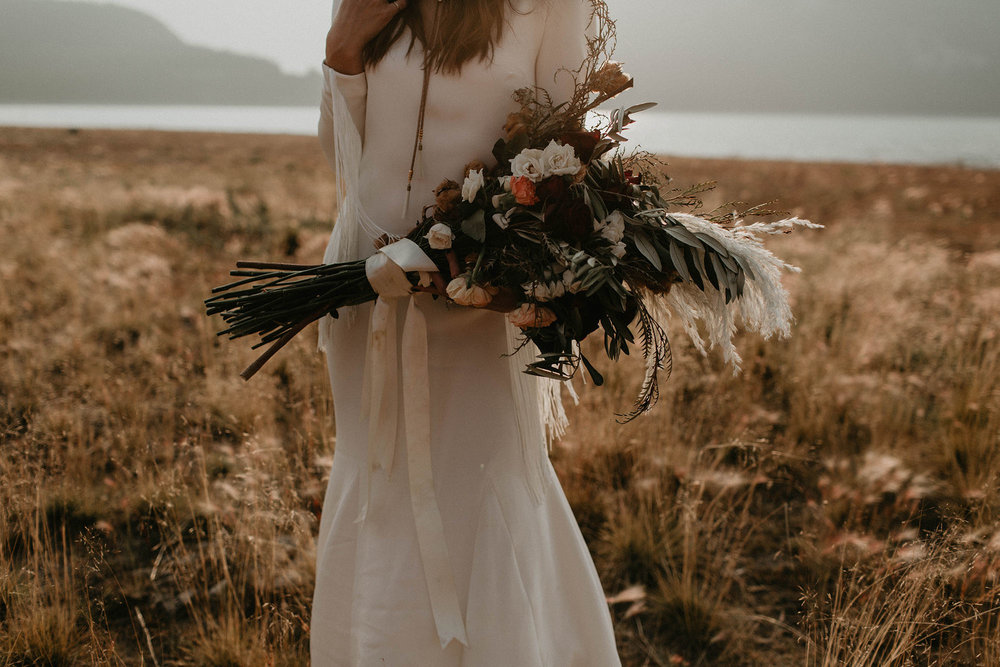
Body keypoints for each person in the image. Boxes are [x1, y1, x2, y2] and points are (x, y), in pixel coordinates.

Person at [312, 0, 622, 663]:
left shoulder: (550, 6)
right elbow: (341, 151)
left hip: (475, 298)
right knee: (380, 481)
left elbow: (570, 160)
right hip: (365, 290)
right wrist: (341, 51)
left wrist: (496, 260)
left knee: (481, 483)